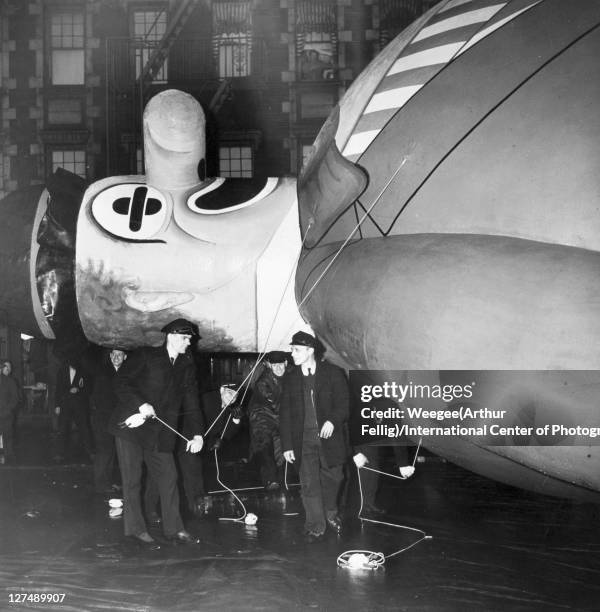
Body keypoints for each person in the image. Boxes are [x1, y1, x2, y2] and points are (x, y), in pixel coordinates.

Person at [108, 318, 204, 547]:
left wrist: (198, 434)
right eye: (185, 338)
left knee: (169, 476)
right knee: (133, 480)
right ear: (170, 336)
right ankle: (136, 530)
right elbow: (120, 382)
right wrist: (140, 404)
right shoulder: (145, 356)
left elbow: (192, 404)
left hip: (160, 432)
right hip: (130, 427)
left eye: (189, 338)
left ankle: (175, 529)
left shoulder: (186, 366)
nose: (188, 342)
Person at [279, 331, 349, 542]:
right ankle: (315, 526)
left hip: (330, 437)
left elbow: (345, 404)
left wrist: (332, 421)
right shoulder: (291, 378)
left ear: (311, 351)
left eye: (297, 350)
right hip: (303, 439)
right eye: (292, 350)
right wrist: (287, 445)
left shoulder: (333, 373)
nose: (292, 354)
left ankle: (330, 512)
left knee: (335, 478)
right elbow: (285, 414)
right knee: (308, 483)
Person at [248, 351, 288, 490]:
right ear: (269, 366)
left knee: (280, 450)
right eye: (275, 365)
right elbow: (276, 405)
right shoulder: (263, 382)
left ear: (286, 363)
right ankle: (270, 481)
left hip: (279, 417)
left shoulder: (291, 376)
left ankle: (279, 480)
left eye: (281, 364)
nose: (278, 368)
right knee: (265, 447)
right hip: (261, 416)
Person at [90, 348, 126, 495]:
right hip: (103, 419)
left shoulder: (126, 372)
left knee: (111, 452)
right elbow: (101, 398)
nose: (116, 357)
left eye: (120, 355)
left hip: (117, 419)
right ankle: (100, 485)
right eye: (114, 355)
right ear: (110, 356)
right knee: (104, 452)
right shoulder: (103, 372)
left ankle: (108, 482)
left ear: (125, 357)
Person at [55, 359, 94, 463]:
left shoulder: (84, 371)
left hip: (80, 405)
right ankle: (60, 453)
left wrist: (79, 390)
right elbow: (58, 388)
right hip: (65, 404)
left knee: (85, 428)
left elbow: (89, 388)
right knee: (62, 428)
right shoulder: (62, 371)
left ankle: (90, 452)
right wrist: (57, 405)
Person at [0, 360, 21, 463]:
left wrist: (7, 410)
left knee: (8, 437)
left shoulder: (10, 381)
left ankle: (10, 461)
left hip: (5, 414)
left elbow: (15, 398)